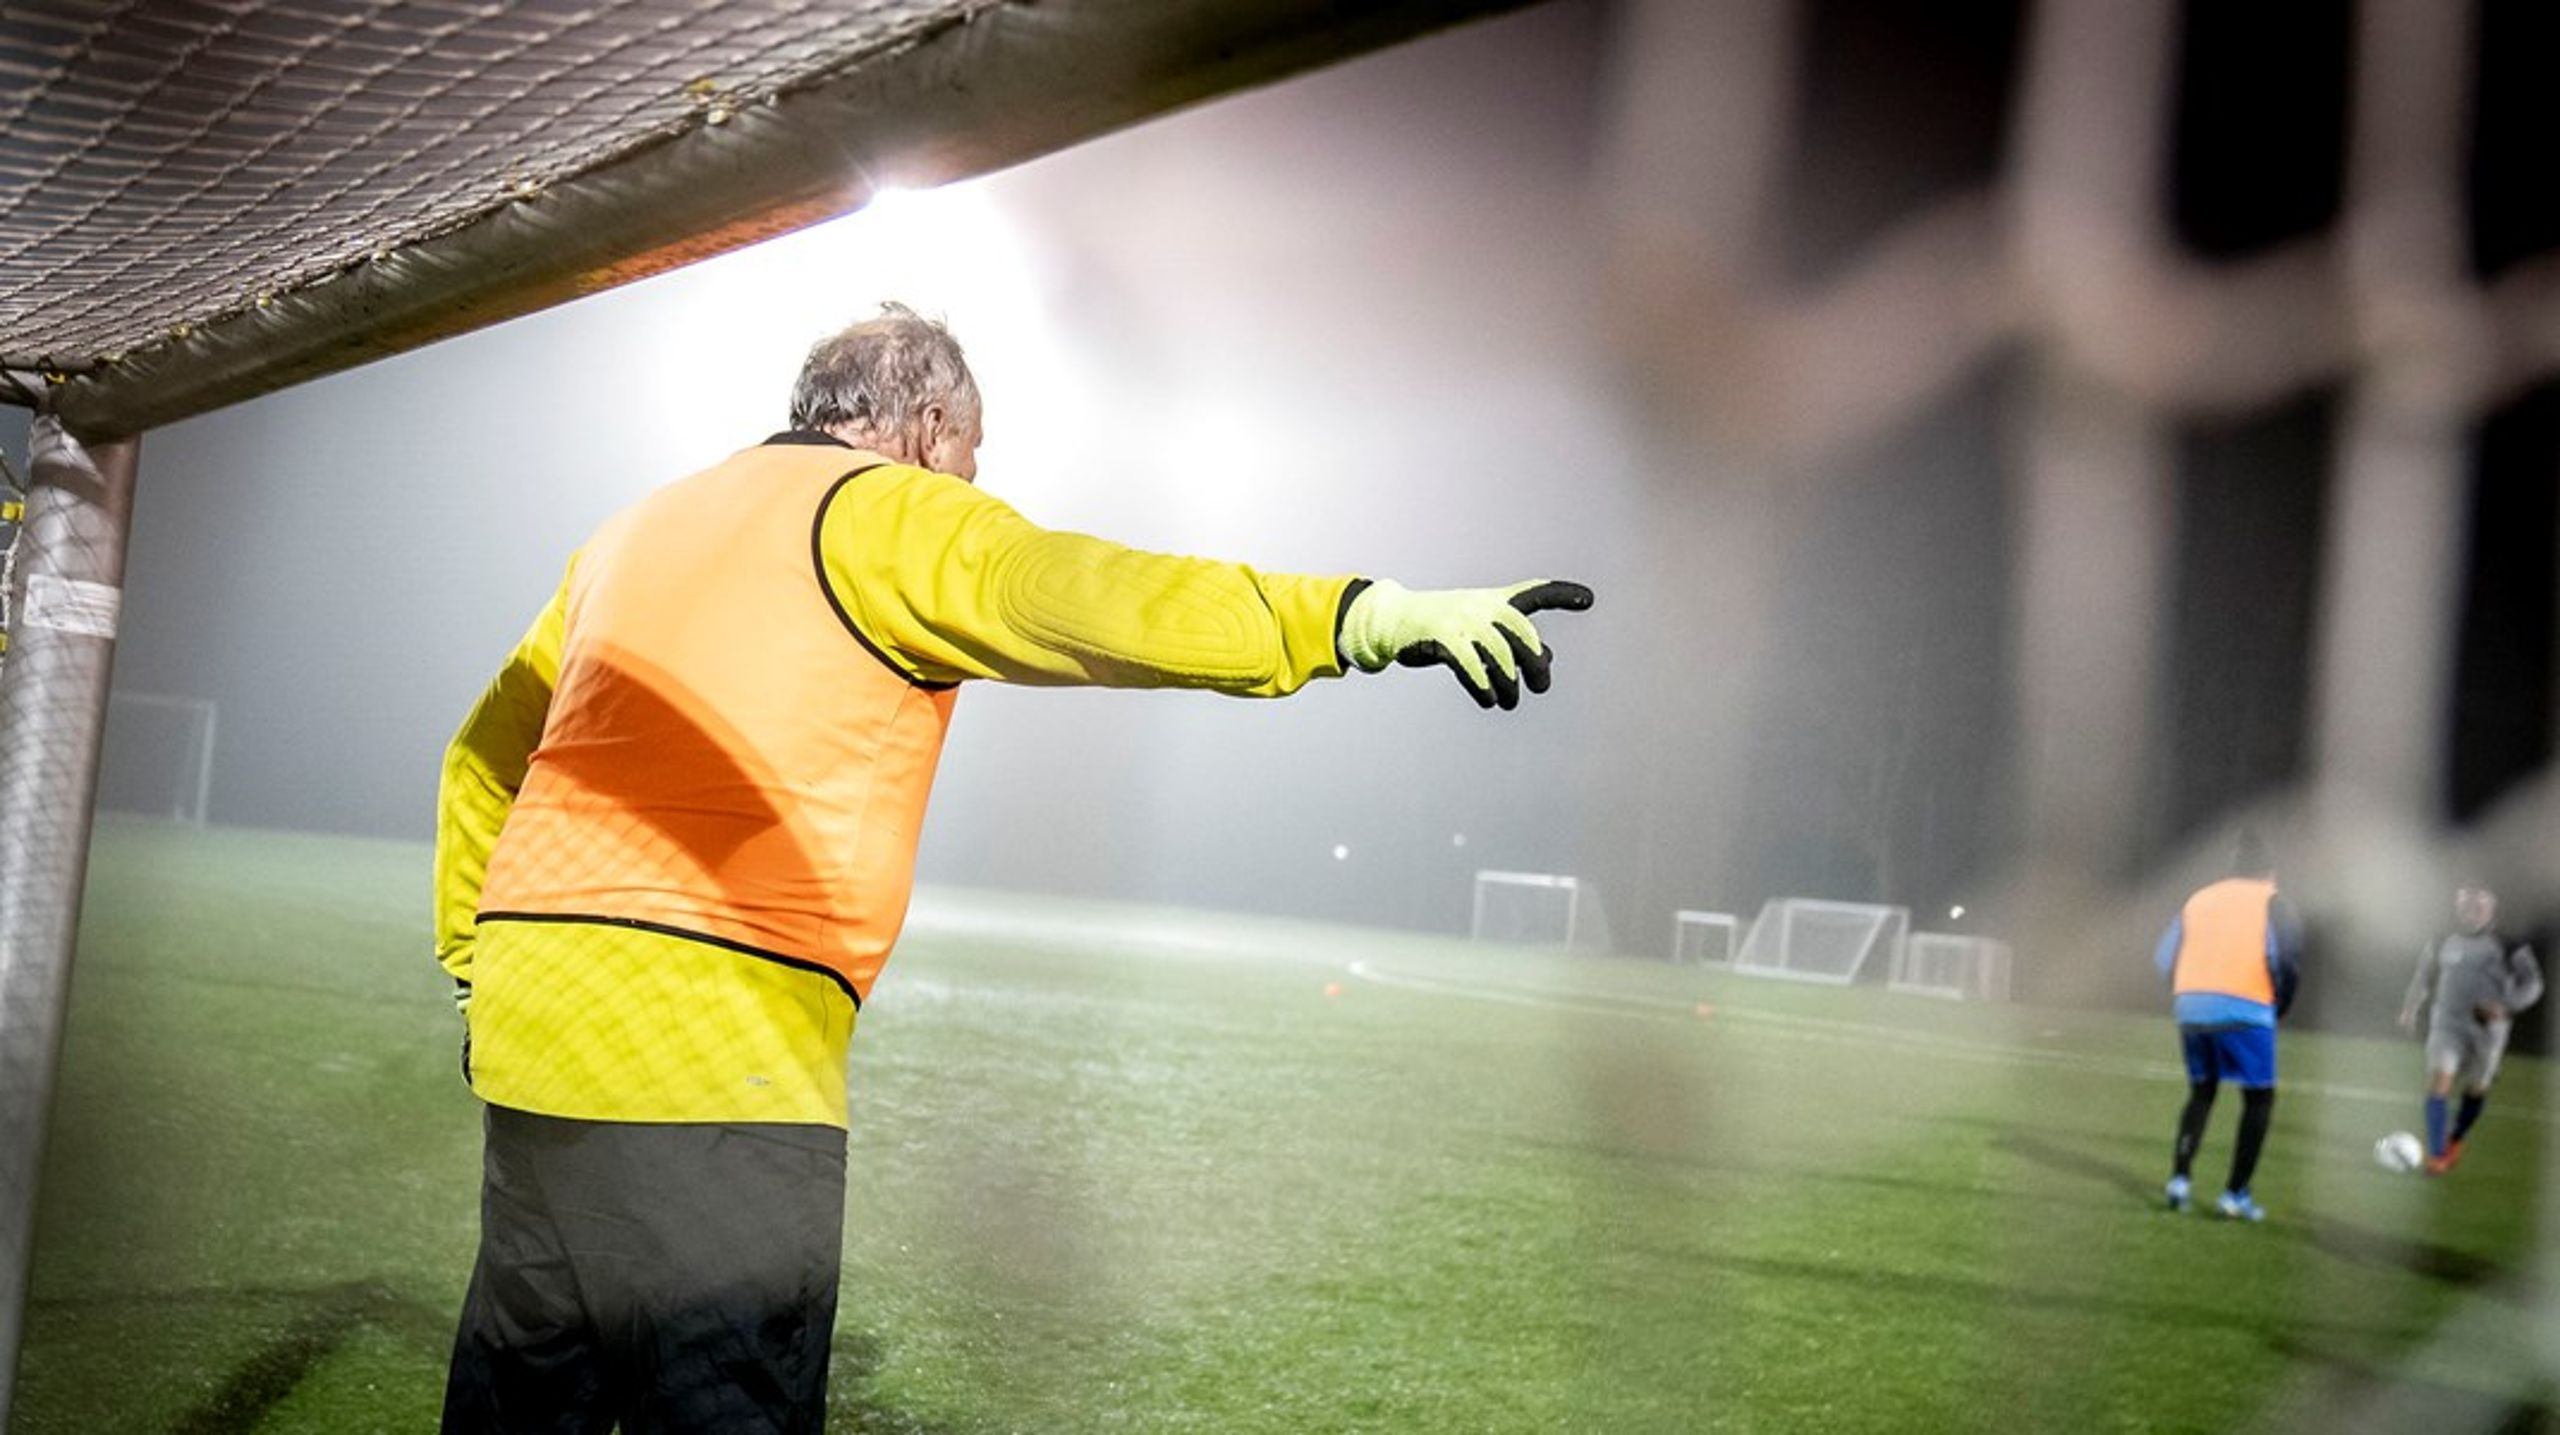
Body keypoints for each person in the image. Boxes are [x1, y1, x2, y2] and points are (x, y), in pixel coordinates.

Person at [431, 302, 1592, 1431]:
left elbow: (484, 755)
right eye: (973, 454)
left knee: (523, 1405)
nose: (974, 481)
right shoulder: (890, 514)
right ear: (931, 428)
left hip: (537, 1040)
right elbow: (1103, 597)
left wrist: (475, 967)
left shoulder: (632, 531)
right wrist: (1362, 615)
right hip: (720, 1049)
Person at [2154, 832, 2303, 1222]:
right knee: (2259, 1099)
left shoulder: (2199, 898)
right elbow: (2286, 961)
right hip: (2247, 1007)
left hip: (2191, 1007)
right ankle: (2235, 1194)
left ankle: (2179, 1181)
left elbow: (2164, 956)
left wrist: (2188, 994)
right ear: (2270, 871)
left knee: (2202, 1092)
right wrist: (2281, 1005)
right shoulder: (2273, 902)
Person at [2399, 885, 2542, 1175]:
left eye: (2478, 907)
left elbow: (2533, 983)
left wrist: (2505, 1006)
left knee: (2477, 1088)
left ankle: (2456, 1138)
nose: (2471, 912)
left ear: (2491, 910)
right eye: (2466, 906)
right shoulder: (2442, 941)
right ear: (2457, 908)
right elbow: (2423, 976)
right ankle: (2437, 1154)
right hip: (2447, 1024)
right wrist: (2410, 1008)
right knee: (2439, 1080)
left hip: (2489, 1031)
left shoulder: (2507, 944)